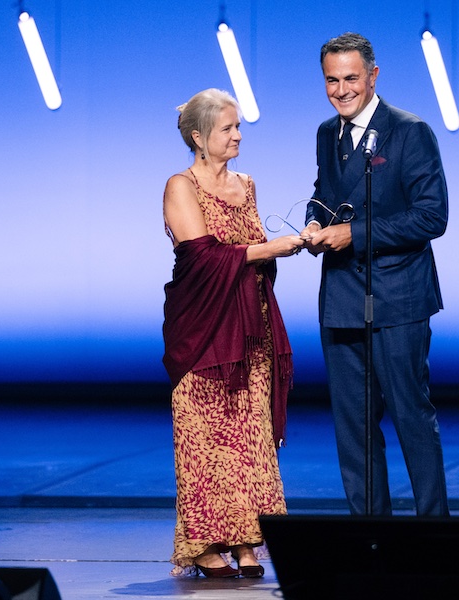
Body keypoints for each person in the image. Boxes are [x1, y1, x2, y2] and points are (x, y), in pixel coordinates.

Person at [301, 33, 450, 516]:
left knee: (411, 416)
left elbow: (433, 216)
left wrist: (355, 235)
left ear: (373, 76)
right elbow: (325, 192)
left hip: (398, 298)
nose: (341, 90)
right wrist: (315, 221)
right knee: (354, 427)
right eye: (332, 80)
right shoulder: (328, 133)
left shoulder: (410, 131)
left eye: (351, 79)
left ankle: (435, 535)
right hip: (343, 298)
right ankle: (371, 543)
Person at [161, 89, 304, 578]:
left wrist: (283, 247)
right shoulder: (180, 186)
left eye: (238, 126)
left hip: (250, 329)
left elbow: (252, 252)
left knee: (250, 437)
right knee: (205, 440)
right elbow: (202, 258)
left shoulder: (247, 183)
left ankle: (247, 539)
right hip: (204, 331)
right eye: (227, 128)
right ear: (200, 137)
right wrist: (268, 250)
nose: (238, 135)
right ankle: (204, 544)